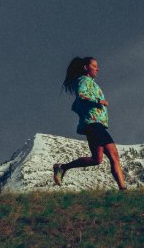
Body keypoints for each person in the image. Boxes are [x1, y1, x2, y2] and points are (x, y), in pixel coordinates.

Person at [53, 56, 127, 190]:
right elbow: (81, 95)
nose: (97, 69)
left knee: (113, 155)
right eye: (94, 66)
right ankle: (63, 167)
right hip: (92, 124)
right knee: (97, 159)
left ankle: (123, 189)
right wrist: (98, 101)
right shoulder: (83, 81)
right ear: (86, 67)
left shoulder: (91, 83)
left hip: (98, 124)